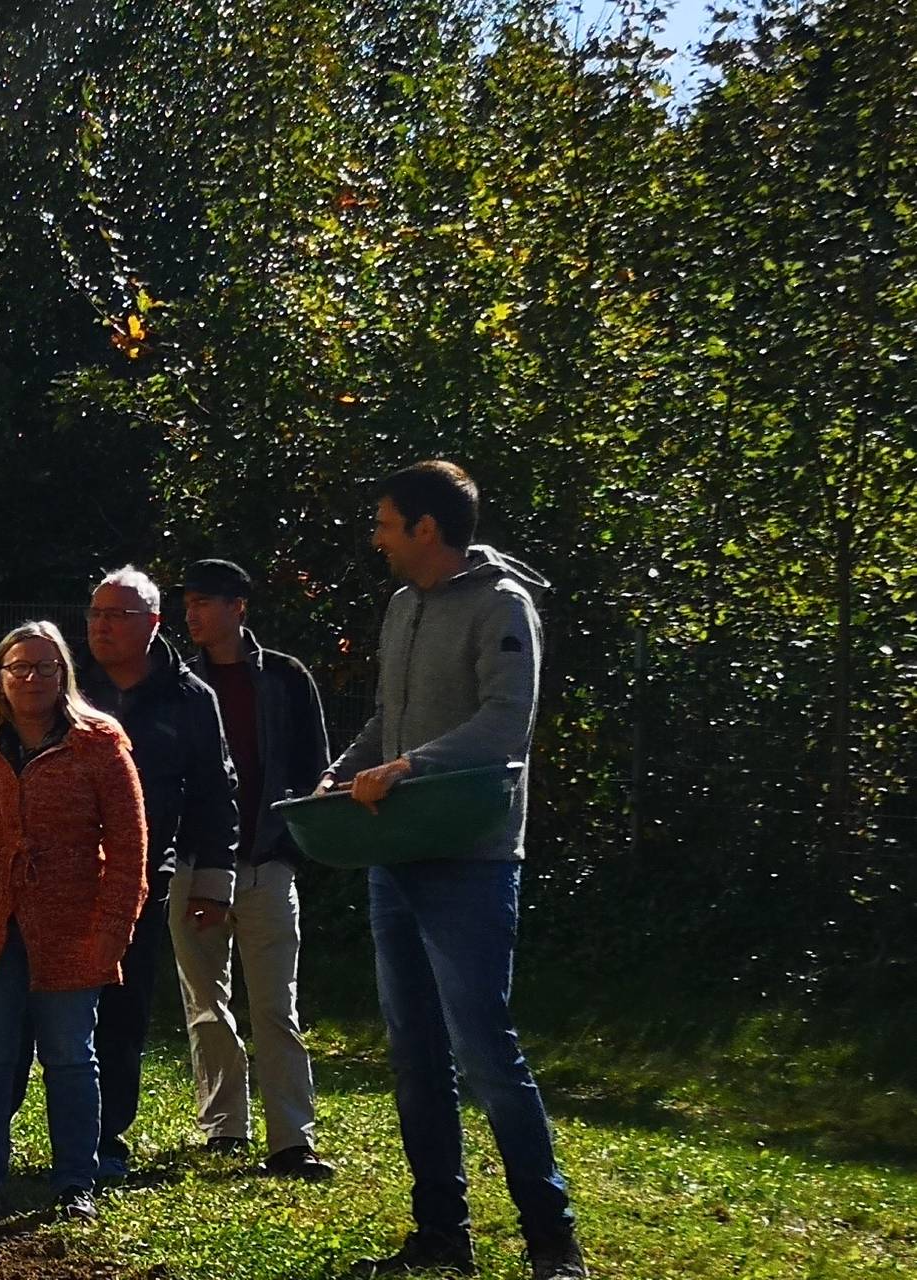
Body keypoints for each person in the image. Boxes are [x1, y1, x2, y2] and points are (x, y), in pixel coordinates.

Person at [331, 462, 582, 1280]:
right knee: (413, 1055)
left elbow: (505, 726)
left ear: (426, 530)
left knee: (484, 1052)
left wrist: (405, 768)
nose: (376, 537)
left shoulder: (504, 607)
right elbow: (384, 717)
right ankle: (442, 1234)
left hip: (469, 862)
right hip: (392, 857)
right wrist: (339, 777)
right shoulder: (402, 607)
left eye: (385, 523)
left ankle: (551, 1240)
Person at [0, 622, 147, 1223]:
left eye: (45, 668)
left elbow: (129, 845)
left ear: (64, 675)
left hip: (72, 922)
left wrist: (114, 928)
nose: (31, 679)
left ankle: (77, 1177)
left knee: (71, 1055)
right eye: (19, 667)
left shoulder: (100, 744)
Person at [76, 565, 240, 1182]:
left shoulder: (191, 698)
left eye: (118, 615)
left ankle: (106, 1139)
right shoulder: (68, 685)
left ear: (152, 623)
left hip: (142, 878)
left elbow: (214, 794)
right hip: (56, 873)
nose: (101, 627)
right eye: (95, 613)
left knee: (122, 1007)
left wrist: (213, 881)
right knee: (36, 1008)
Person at [173, 558, 335, 1179]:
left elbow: (314, 765)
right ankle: (224, 1127)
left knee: (275, 1007)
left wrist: (290, 851)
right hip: (194, 866)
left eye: (206, 602)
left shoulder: (288, 679)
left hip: (267, 864)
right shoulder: (181, 681)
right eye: (188, 602)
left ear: (240, 607)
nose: (193, 614)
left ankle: (291, 1140)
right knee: (206, 1003)